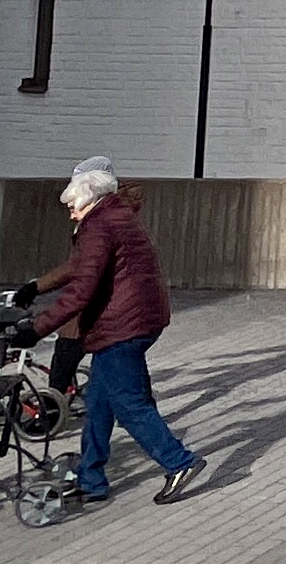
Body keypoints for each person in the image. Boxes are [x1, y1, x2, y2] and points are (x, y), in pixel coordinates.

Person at [30, 158, 208, 508]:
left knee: (130, 404)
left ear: (87, 196)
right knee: (98, 402)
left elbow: (82, 289)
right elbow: (81, 266)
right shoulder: (114, 216)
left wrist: (35, 329)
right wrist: (35, 288)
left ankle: (179, 462)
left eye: (72, 205)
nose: (70, 213)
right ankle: (91, 479)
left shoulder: (99, 225)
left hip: (122, 326)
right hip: (135, 320)